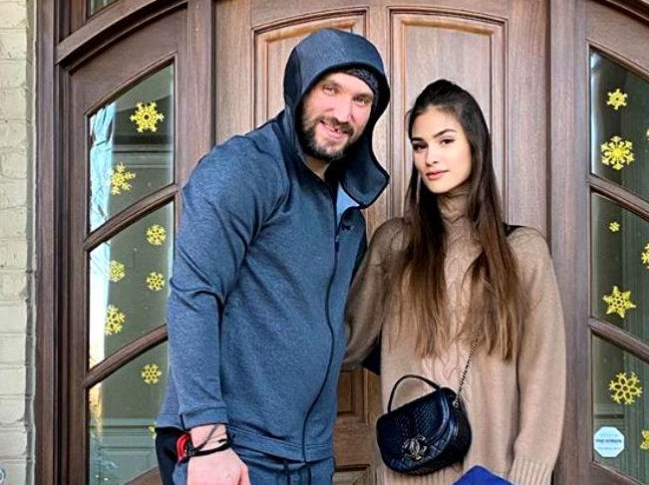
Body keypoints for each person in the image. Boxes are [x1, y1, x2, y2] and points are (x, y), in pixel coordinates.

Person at [155, 28, 391, 485]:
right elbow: (193, 297)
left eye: (361, 100)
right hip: (233, 449)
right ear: (300, 88)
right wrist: (210, 443)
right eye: (330, 89)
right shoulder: (243, 169)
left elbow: (345, 328)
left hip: (309, 456)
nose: (343, 114)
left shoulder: (347, 212)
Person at [344, 79, 566, 485]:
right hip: (404, 474)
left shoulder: (522, 251)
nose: (430, 157)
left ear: (474, 146)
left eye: (445, 141)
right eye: (419, 145)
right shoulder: (395, 244)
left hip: (492, 475)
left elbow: (543, 374)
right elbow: (347, 344)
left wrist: (527, 476)